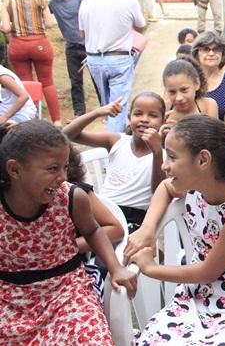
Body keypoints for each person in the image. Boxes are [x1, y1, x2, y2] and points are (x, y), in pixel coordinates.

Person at [127, 116, 225, 345]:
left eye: (172, 157)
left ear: (203, 160)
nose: (164, 165)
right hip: (192, 300)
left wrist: (151, 268)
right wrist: (147, 229)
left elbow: (208, 272)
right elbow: (163, 188)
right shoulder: (195, 190)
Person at [0, 120, 137, 345]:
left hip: (66, 291)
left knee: (93, 339)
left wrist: (116, 267)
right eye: (53, 169)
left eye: (64, 167)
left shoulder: (71, 197)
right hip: (9, 297)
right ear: (14, 169)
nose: (63, 176)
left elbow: (93, 230)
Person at [63, 93, 166, 230]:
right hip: (103, 210)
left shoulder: (164, 155)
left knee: (112, 242)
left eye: (152, 115)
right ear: (129, 117)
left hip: (135, 217)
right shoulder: (117, 141)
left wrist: (157, 153)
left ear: (162, 121)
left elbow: (158, 191)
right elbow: (65, 135)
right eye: (138, 114)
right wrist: (97, 113)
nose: (144, 119)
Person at [78, 0, 147, 132]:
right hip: (118, 58)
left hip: (94, 59)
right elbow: (141, 26)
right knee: (118, 107)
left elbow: (82, 33)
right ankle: (113, 149)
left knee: (107, 105)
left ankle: (110, 138)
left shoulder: (87, 1)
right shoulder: (128, 1)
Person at [65, 145, 125, 298]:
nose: (58, 177)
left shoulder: (73, 193)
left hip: (70, 277)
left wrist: (69, 247)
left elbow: (116, 229)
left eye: (61, 167)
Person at [2, 0, 60, 126]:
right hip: (40, 43)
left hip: (19, 45)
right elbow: (49, 24)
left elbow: (7, 28)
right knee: (47, 82)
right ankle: (57, 121)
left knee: (26, 83)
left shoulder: (7, 1)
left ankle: (32, 121)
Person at [47, 0, 90, 116]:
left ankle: (107, 110)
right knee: (75, 82)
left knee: (98, 80)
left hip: (88, 46)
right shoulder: (53, 4)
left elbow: (92, 15)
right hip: (71, 47)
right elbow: (42, 16)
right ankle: (79, 113)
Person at [192, 31, 225, 118]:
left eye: (216, 49)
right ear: (197, 53)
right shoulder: (188, 79)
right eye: (206, 49)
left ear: (223, 53)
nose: (211, 53)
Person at [162, 58, 219, 129]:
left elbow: (214, 137)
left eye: (184, 90)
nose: (179, 98)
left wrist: (178, 131)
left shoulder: (208, 105)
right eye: (172, 92)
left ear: (197, 83)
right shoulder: (164, 109)